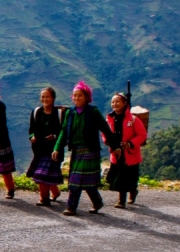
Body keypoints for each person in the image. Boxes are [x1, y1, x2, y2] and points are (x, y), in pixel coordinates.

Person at [51, 81, 118, 216]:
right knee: (86, 181)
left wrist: (115, 146)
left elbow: (105, 129)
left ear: (87, 97)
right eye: (74, 96)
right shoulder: (70, 113)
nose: (76, 98)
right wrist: (57, 148)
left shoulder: (93, 112)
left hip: (90, 150)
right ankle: (97, 201)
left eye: (80, 96)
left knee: (76, 180)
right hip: (76, 151)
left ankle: (71, 207)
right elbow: (64, 131)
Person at [105, 92, 147, 208]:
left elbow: (142, 135)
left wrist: (130, 143)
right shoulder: (110, 119)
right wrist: (109, 142)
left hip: (130, 155)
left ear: (124, 103)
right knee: (119, 177)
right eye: (113, 102)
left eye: (117, 101)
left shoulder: (133, 120)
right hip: (117, 153)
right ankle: (121, 200)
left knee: (130, 178)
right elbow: (105, 133)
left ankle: (132, 191)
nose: (115, 104)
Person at [27, 87, 65, 206]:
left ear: (53, 98)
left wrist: (54, 136)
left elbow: (64, 132)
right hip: (39, 150)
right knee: (46, 174)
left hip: (53, 150)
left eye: (47, 96)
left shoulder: (59, 114)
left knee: (41, 174)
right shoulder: (36, 113)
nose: (45, 99)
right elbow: (31, 130)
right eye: (43, 97)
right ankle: (55, 192)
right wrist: (32, 136)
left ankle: (44, 198)